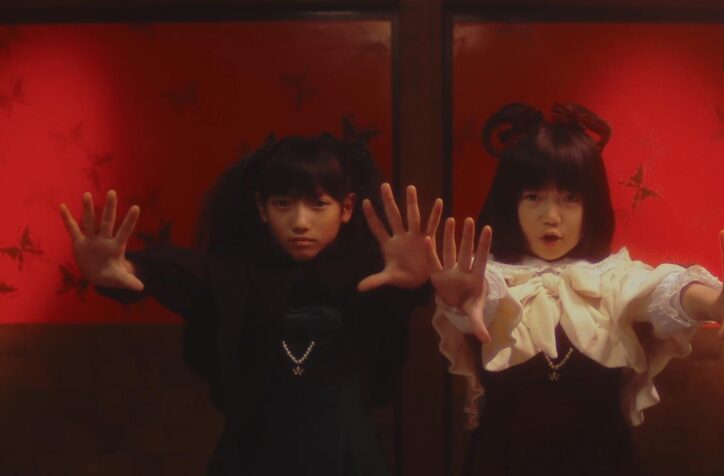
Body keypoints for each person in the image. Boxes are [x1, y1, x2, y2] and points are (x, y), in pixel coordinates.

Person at [424, 102, 724, 475]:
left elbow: (664, 290)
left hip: (602, 460)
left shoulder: (614, 278)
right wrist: (459, 301)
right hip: (504, 460)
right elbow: (481, 300)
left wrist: (715, 302)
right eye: (533, 196)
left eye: (570, 198)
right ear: (510, 203)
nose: (551, 216)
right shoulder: (488, 277)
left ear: (591, 205)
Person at [58, 133, 442, 475]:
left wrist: (417, 284)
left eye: (318, 204)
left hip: (348, 455)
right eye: (283, 203)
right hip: (252, 456)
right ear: (262, 208)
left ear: (346, 207)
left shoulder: (371, 275)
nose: (300, 222)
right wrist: (119, 270)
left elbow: (394, 330)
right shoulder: (232, 272)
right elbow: (172, 272)